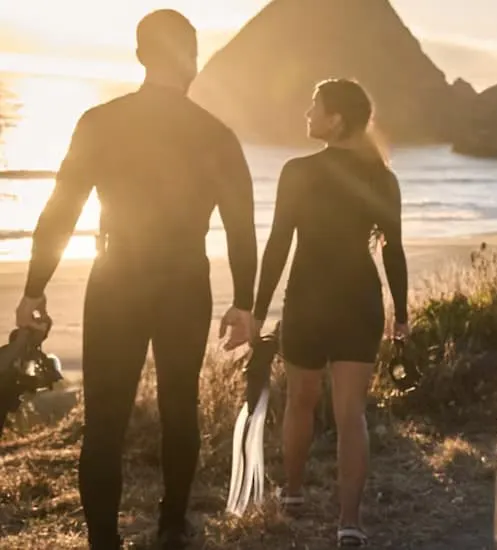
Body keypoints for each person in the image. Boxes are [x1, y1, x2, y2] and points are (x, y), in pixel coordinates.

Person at [11, 9, 258, 549]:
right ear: (192, 58)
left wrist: (34, 287)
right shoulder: (215, 135)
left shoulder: (100, 122)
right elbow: (242, 228)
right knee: (179, 405)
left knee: (104, 416)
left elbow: (60, 210)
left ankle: (104, 539)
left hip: (116, 277)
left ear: (141, 55)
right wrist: (245, 303)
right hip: (184, 280)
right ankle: (172, 527)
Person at [252, 78, 408, 548]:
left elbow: (278, 244)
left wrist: (258, 310)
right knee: (351, 415)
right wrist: (401, 316)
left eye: (314, 106)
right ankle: (349, 522)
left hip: (306, 301)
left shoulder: (297, 171)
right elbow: (394, 252)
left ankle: (294, 494)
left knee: (301, 401)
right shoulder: (381, 175)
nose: (307, 113)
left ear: (336, 119)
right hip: (360, 301)